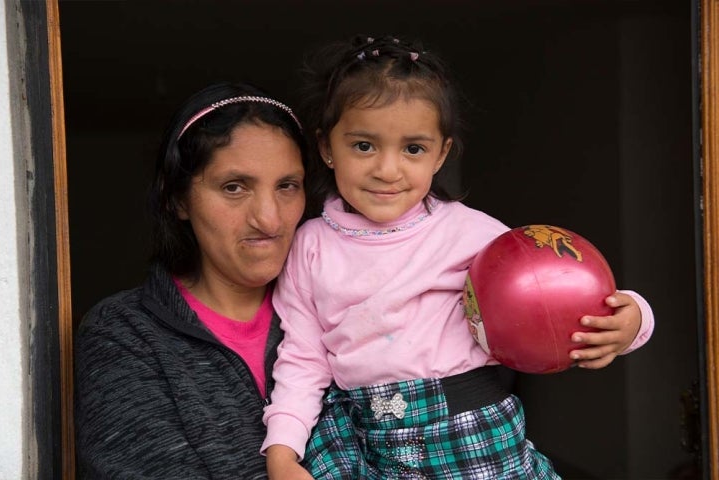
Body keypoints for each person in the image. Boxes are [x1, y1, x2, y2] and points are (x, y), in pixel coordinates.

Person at [262, 35, 655, 479]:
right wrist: (282, 449)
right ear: (327, 147)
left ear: (441, 154)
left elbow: (558, 290)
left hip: (471, 429)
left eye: (413, 149)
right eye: (364, 146)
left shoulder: (472, 234)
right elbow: (302, 359)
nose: (387, 170)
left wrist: (633, 320)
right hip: (366, 439)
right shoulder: (310, 246)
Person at [74, 81, 307, 479]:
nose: (269, 219)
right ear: (178, 199)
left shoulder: (341, 313)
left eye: (287, 186)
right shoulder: (124, 333)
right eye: (235, 187)